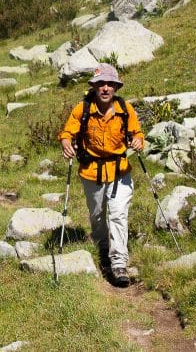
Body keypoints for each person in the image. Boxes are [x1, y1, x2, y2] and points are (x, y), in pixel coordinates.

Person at [58, 63, 144, 287]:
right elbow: (67, 132)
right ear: (95, 87)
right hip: (91, 171)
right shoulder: (83, 108)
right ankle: (103, 247)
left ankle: (118, 263)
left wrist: (138, 141)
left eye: (109, 84)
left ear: (116, 87)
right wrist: (66, 143)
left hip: (119, 171)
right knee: (97, 215)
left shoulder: (125, 109)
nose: (105, 88)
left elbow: (137, 133)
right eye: (100, 84)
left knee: (117, 214)